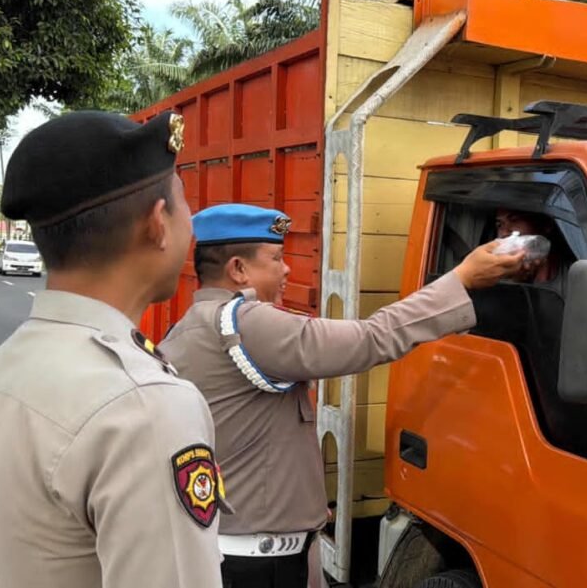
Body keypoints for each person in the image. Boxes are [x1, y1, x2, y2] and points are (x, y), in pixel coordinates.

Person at [159, 203, 524, 588]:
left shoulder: (188, 331)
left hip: (233, 549)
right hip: (263, 566)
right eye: (277, 258)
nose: (286, 270)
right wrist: (461, 278)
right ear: (238, 269)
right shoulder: (245, 323)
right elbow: (371, 338)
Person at [0, 110, 225, 588]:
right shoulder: (145, 406)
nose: (193, 227)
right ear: (158, 223)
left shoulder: (0, 369)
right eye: (186, 205)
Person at [494, 207, 567, 289]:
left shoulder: (570, 276)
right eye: (499, 225)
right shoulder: (498, 276)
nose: (504, 233)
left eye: (514, 220)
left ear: (545, 225)